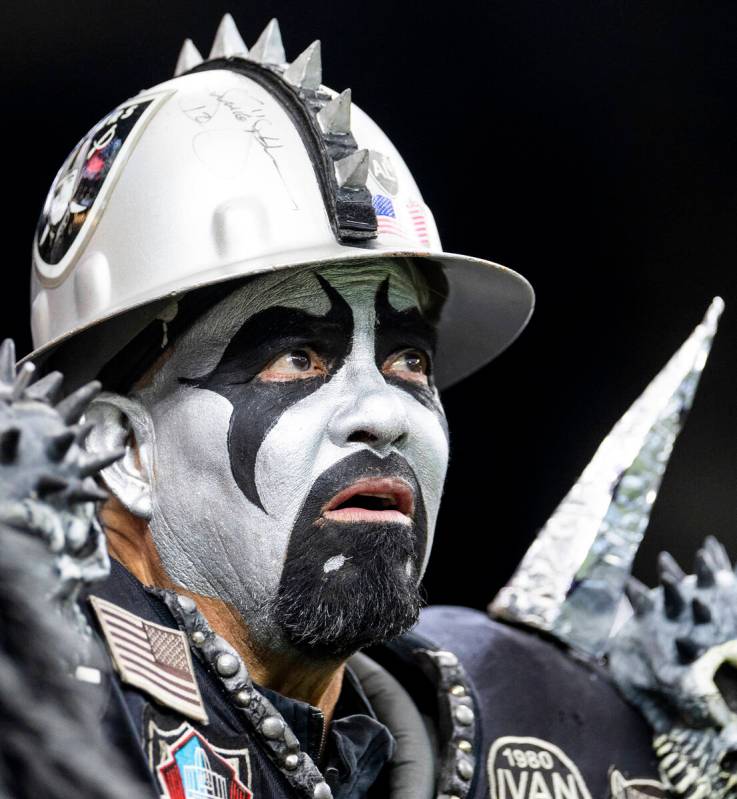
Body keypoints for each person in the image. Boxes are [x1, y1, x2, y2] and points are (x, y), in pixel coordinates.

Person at [23, 13, 700, 799]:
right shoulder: (35, 724)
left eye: (407, 360)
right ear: (120, 450)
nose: (383, 414)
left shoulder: (524, 732)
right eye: (296, 358)